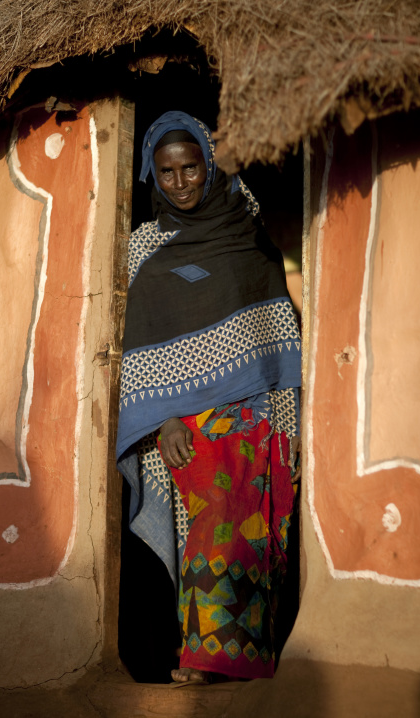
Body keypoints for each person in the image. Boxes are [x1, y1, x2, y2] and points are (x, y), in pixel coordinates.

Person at [117, 111, 301, 684]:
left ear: (208, 163)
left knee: (250, 535)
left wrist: (291, 426)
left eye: (190, 167)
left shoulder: (247, 232)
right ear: (152, 173)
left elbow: (277, 332)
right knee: (205, 529)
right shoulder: (144, 246)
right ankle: (205, 655)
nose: (180, 183)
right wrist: (165, 416)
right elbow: (141, 339)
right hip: (183, 426)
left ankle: (240, 660)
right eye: (166, 172)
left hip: (253, 415)